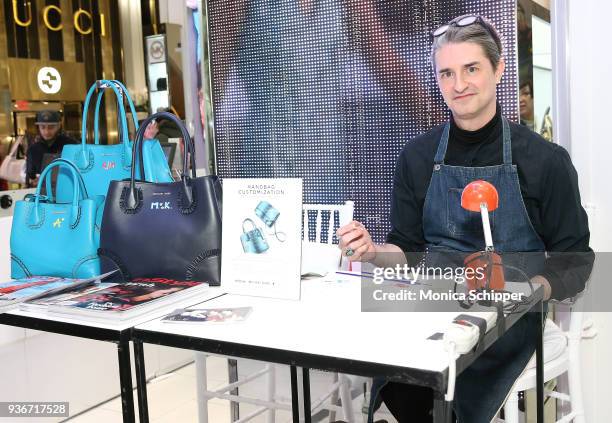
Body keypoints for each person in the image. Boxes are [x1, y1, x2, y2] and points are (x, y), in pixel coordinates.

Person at [336, 14, 593, 423]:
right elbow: (408, 251)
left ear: (498, 68)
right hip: (435, 303)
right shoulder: (417, 158)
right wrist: (372, 252)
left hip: (510, 316)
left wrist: (533, 292)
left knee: (456, 373)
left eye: (471, 69)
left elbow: (575, 258)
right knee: (400, 369)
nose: (458, 85)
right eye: (447, 73)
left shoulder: (544, 161)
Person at [25, 111, 77, 187]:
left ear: (59, 126)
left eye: (51, 127)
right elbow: (30, 175)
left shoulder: (71, 145)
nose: (46, 132)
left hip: (68, 188)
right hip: (42, 192)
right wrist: (33, 181)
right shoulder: (33, 149)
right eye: (43, 127)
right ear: (38, 127)